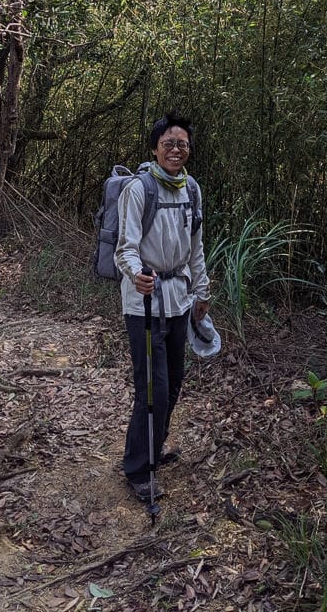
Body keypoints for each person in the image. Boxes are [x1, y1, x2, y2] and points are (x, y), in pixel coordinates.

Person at [114, 112, 210, 504]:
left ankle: (152, 450)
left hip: (179, 300)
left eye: (182, 144)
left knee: (172, 384)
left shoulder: (192, 190)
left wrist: (202, 291)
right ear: (155, 147)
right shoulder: (140, 189)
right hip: (144, 304)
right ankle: (138, 469)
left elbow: (196, 247)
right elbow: (126, 247)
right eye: (168, 143)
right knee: (152, 388)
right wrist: (137, 274)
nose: (175, 149)